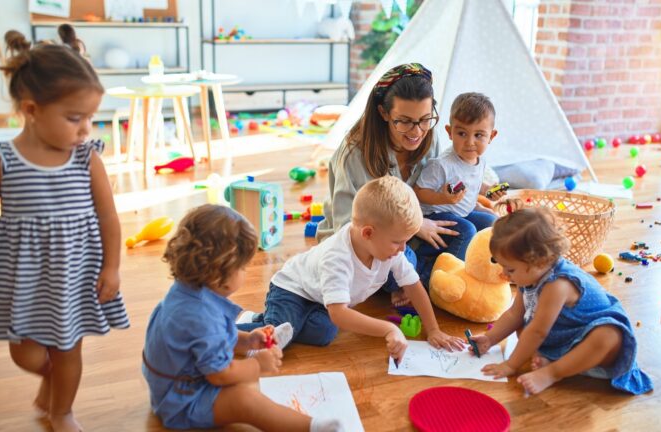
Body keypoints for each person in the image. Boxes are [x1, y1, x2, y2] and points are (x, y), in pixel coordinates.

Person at [0, 26, 129, 432]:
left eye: (90, 117)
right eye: (75, 118)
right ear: (31, 109)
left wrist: (112, 267)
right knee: (27, 356)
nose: (86, 129)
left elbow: (109, 217)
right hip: (19, 278)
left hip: (72, 275)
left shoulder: (86, 158)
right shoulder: (0, 160)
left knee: (67, 347)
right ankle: (52, 382)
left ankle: (61, 410)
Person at [143, 205, 341, 432]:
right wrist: (258, 365)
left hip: (176, 384)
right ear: (220, 273)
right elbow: (220, 375)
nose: (246, 272)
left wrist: (247, 341)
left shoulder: (188, 293)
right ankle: (311, 427)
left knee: (245, 388)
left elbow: (207, 340)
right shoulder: (201, 317)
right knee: (246, 401)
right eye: (243, 268)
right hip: (182, 400)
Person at [238, 177, 465, 363]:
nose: (403, 249)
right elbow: (339, 313)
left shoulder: (389, 249)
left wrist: (433, 329)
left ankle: (270, 319)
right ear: (368, 233)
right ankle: (230, 331)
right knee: (277, 338)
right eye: (398, 242)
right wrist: (388, 329)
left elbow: (413, 286)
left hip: (320, 297)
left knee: (324, 333)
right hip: (292, 290)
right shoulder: (338, 257)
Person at [470, 200, 653, 395]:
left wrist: (511, 365)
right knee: (523, 325)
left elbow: (538, 332)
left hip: (592, 342)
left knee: (608, 336)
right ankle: (557, 360)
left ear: (539, 261)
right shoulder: (531, 276)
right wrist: (490, 338)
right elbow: (514, 314)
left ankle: (553, 372)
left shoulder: (557, 284)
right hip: (563, 334)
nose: (505, 274)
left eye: (511, 269)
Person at [317, 63, 459, 304]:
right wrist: (414, 227)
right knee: (401, 264)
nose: (417, 131)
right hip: (371, 246)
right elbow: (348, 227)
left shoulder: (428, 137)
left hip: (411, 235)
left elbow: (434, 196)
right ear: (383, 113)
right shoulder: (354, 154)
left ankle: (424, 282)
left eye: (425, 119)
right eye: (404, 121)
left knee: (477, 225)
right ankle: (424, 284)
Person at [414, 92, 506, 261]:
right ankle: (444, 271)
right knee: (467, 231)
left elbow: (475, 185)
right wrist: (442, 198)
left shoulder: (479, 160)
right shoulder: (442, 164)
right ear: (450, 132)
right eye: (462, 133)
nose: (470, 142)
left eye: (479, 135)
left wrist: (489, 191)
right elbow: (419, 191)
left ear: (491, 136)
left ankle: (480, 264)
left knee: (492, 223)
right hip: (437, 214)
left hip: (462, 212)